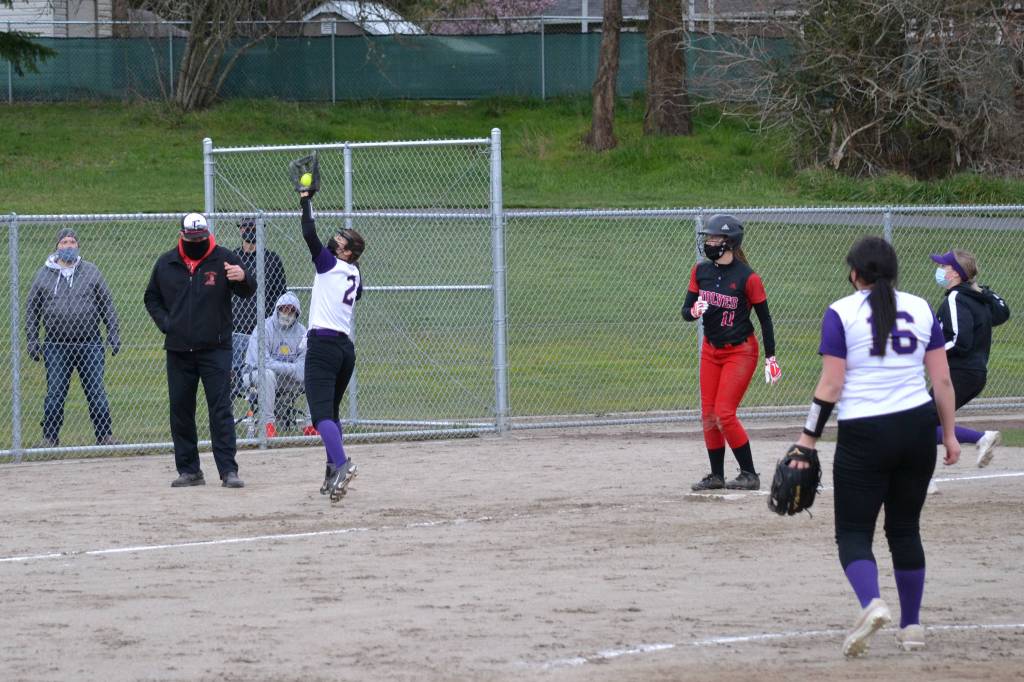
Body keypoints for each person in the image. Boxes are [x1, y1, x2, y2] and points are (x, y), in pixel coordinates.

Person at [790, 236, 960, 656]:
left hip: (865, 431)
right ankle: (912, 626)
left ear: (855, 274)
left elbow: (832, 385)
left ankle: (872, 603)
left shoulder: (841, 312)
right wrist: (950, 434)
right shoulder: (921, 307)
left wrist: (807, 440)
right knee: (905, 529)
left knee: (853, 532)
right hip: (917, 428)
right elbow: (941, 380)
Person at [144, 213, 256, 489]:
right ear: (182, 235)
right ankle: (189, 470)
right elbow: (151, 297)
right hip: (179, 349)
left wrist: (243, 277)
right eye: (192, 238)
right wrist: (168, 324)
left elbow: (248, 291)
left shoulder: (224, 258)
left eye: (201, 238)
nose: (197, 242)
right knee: (181, 409)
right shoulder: (167, 262)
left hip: (215, 348)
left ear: (208, 233)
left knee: (220, 409)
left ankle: (228, 470)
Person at [681, 214, 780, 492]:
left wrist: (771, 358)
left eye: (716, 238)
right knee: (708, 415)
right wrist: (693, 311)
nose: (710, 242)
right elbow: (686, 311)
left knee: (724, 413)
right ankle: (716, 476)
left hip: (740, 351)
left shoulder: (748, 278)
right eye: (709, 238)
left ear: (731, 242)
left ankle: (749, 474)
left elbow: (765, 320)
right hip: (711, 350)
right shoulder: (700, 271)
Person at [25, 228, 121, 447]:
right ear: (57, 246)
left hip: (90, 342)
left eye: (72, 242)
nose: (68, 246)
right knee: (55, 392)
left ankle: (104, 436)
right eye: (64, 242)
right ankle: (50, 437)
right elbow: (32, 310)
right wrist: (32, 339)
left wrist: (113, 333)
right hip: (56, 345)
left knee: (96, 391)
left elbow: (106, 304)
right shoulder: (43, 275)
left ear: (77, 246)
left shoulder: (91, 271)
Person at [298, 189, 365, 502]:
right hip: (344, 350)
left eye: (341, 240)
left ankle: (342, 465)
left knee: (320, 414)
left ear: (348, 253)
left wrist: (305, 199)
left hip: (323, 346)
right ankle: (330, 470)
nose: (334, 240)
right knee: (332, 412)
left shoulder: (329, 264)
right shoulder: (355, 273)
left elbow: (308, 233)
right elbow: (357, 293)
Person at [930, 250, 1010, 467]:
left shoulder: (956, 297)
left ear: (955, 273)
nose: (939, 270)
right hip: (973, 373)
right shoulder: (974, 297)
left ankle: (981, 437)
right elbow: (1002, 312)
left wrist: (929, 353)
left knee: (920, 423)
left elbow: (959, 341)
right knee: (924, 422)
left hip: (960, 373)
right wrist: (982, 291)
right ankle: (980, 438)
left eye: (944, 267)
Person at [243, 292, 313, 438]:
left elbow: (303, 368)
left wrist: (283, 368)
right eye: (284, 309)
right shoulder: (264, 327)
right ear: (277, 309)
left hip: (285, 379)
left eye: (291, 311)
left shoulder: (301, 332)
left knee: (313, 375)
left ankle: (310, 424)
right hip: (255, 375)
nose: (287, 314)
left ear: (297, 313)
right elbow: (262, 363)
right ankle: (267, 425)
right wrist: (292, 368)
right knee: (268, 374)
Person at [231, 218, 288, 391]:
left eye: (255, 228)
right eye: (246, 227)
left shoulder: (272, 259)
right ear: (240, 230)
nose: (250, 231)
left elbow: (281, 296)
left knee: (265, 379)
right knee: (234, 383)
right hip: (236, 331)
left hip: (264, 332)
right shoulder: (233, 258)